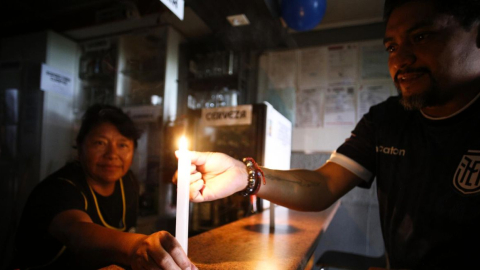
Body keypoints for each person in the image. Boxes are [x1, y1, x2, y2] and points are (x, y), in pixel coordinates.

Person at [176, 0, 480, 269]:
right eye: (391, 47)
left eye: (421, 36)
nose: (400, 60)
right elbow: (322, 184)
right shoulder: (386, 120)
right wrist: (244, 175)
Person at [11, 104, 196, 270]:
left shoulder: (127, 182)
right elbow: (77, 233)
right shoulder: (58, 189)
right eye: (100, 143)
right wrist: (135, 246)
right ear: (80, 145)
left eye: (122, 145)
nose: (112, 154)